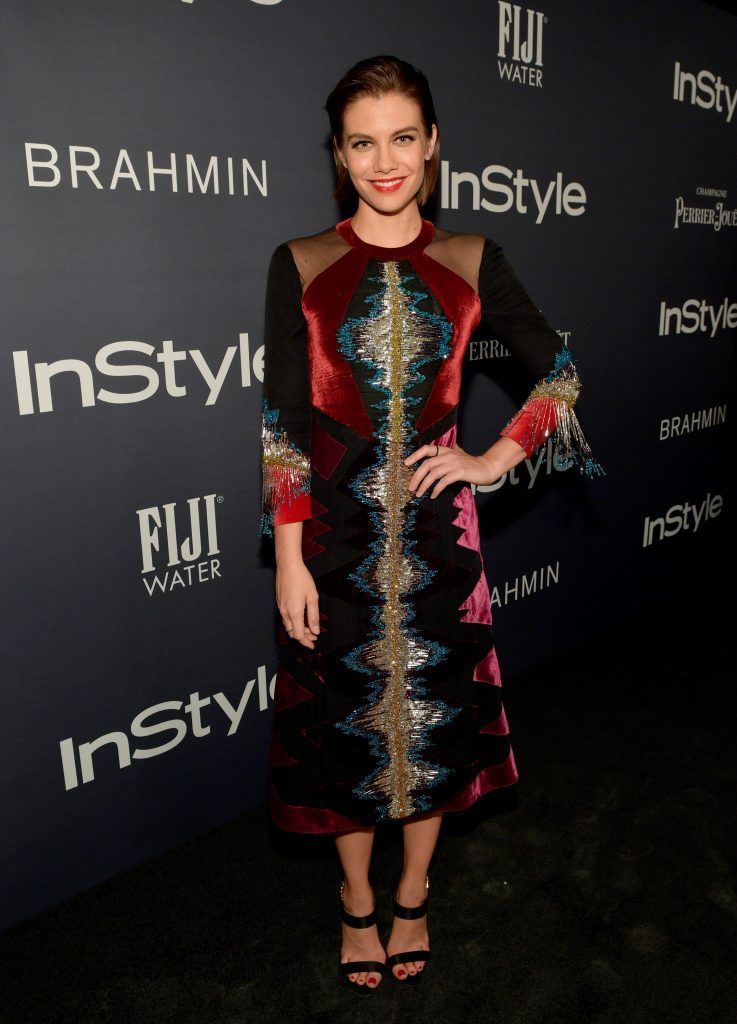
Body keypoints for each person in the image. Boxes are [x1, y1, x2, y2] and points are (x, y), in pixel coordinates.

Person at [258, 54, 603, 995]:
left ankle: (412, 898)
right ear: (338, 153)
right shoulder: (300, 263)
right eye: (362, 142)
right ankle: (357, 904)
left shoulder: (470, 259)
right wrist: (288, 558)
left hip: (444, 547)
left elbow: (558, 370)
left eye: (402, 138)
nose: (384, 161)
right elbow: (283, 426)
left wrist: (492, 458)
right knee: (346, 740)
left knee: (435, 736)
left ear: (433, 144)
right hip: (332, 551)